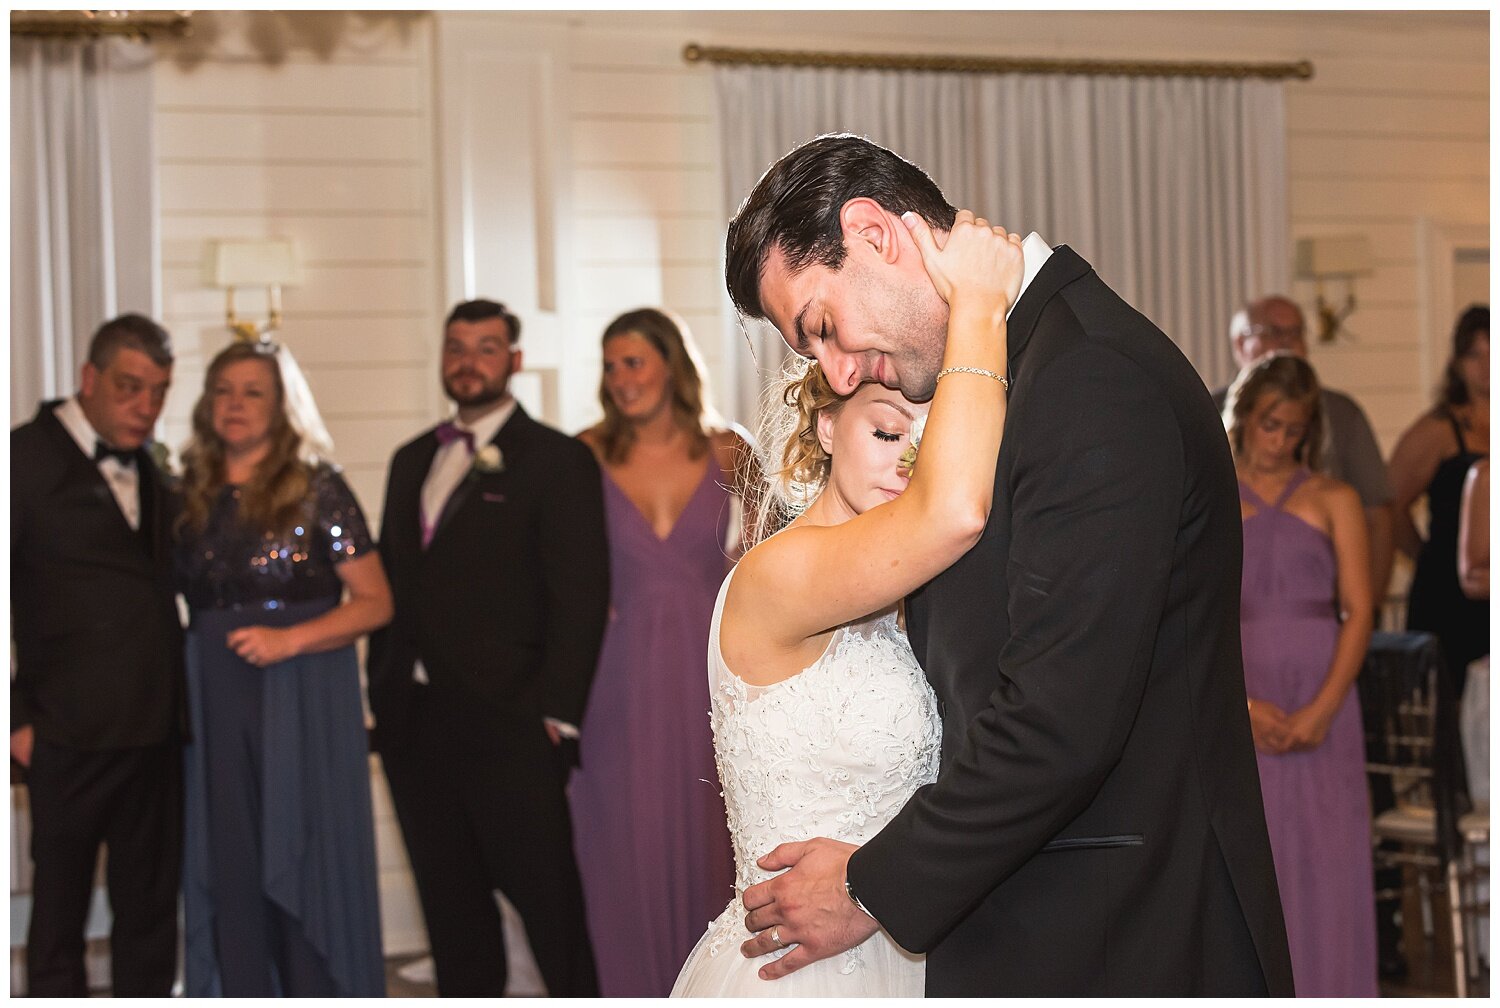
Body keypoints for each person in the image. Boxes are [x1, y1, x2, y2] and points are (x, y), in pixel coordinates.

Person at [720, 133, 1293, 995]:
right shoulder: (1001, 373)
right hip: (1036, 928)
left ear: (875, 233)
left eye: (824, 327)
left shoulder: (1087, 375)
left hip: (1121, 936)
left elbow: (1062, 718)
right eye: (814, 358)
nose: (837, 374)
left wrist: (869, 889)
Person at [673, 210, 1021, 996]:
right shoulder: (779, 575)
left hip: (918, 945)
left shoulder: (913, 594)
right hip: (804, 970)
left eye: (933, 441)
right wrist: (978, 305)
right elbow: (950, 511)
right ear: (827, 425)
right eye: (887, 432)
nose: (912, 463)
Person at [369, 299, 609, 996]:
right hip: (414, 724)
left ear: (513, 360)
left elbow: (580, 596)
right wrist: (380, 692)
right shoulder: (411, 459)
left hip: (513, 725)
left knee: (549, 911)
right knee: (452, 917)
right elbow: (394, 582)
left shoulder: (557, 460)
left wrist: (556, 716)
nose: (467, 361)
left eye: (485, 347)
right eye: (456, 347)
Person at [176, 337, 390, 995]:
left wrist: (286, 642)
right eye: (223, 390)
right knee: (229, 856)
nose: (234, 405)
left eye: (252, 392)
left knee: (300, 850)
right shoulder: (188, 491)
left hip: (297, 691)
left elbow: (376, 603)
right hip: (213, 695)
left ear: (282, 406)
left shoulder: (317, 488)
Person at [569, 307, 748, 996]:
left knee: (711, 836)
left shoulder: (729, 450)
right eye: (610, 366)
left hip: (710, 667)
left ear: (670, 364)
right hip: (615, 672)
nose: (620, 379)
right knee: (621, 840)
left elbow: (771, 555)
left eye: (633, 362)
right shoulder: (584, 454)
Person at [10, 314, 184, 996]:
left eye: (159, 391)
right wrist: (15, 721)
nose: (146, 407)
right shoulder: (20, 459)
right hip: (65, 733)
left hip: (157, 732)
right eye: (129, 387)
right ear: (89, 379)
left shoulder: (155, 466)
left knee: (149, 914)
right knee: (58, 918)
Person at [1227, 354, 1377, 996]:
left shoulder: (1334, 497)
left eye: (1294, 428)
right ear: (1243, 417)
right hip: (1239, 697)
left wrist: (1324, 708)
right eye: (1270, 424)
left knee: (1330, 861)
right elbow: (1193, 611)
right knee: (1257, 862)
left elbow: (1362, 608)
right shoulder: (1209, 492)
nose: (1280, 440)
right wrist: (1243, 705)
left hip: (1325, 699)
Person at [1214, 295, 1395, 610]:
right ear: (1240, 344)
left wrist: (1369, 606)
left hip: (1323, 608)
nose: (1286, 343)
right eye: (1273, 332)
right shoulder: (1207, 410)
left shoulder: (1341, 413)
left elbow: (1378, 514)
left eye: (1295, 333)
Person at [1388, 304, 1489, 695]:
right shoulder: (1437, 430)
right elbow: (1390, 502)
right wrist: (1425, 555)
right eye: (1474, 354)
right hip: (1448, 597)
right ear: (1458, 363)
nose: (1485, 365)